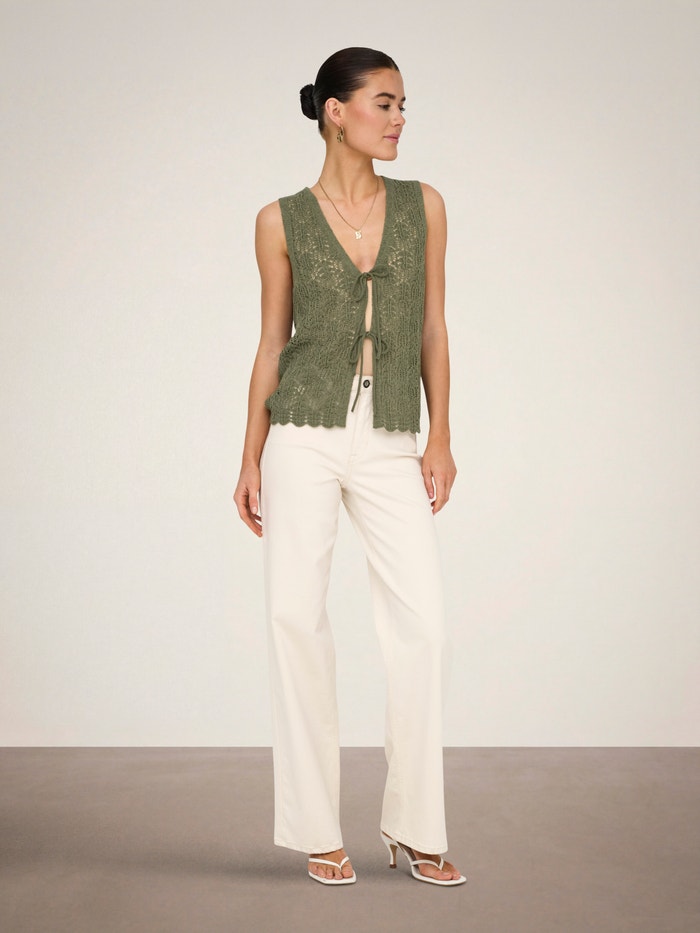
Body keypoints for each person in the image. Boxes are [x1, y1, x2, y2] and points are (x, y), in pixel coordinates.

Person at [233, 47, 465, 887]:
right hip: (301, 431)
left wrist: (440, 436)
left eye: (403, 105)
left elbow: (433, 326)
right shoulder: (279, 219)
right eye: (384, 103)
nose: (399, 118)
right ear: (336, 112)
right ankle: (316, 830)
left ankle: (417, 825)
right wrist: (250, 453)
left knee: (423, 625)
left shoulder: (423, 205)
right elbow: (272, 342)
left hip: (392, 430)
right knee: (295, 618)